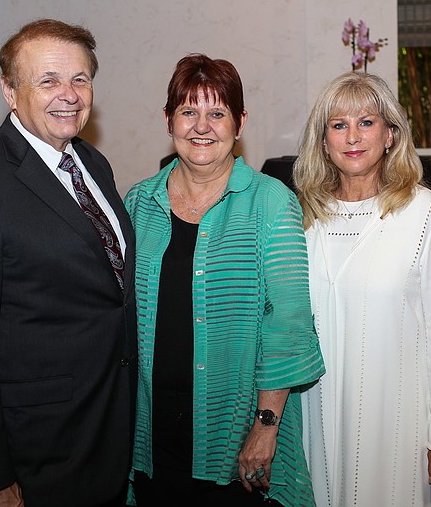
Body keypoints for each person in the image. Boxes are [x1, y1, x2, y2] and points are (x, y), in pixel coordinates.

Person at [0, 19, 136, 506]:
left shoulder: (92, 164)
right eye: (48, 81)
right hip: (35, 454)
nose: (69, 94)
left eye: (80, 79)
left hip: (106, 429)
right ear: (10, 91)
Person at [124, 53, 325, 506]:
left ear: (240, 122)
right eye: (188, 112)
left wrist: (265, 426)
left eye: (217, 113)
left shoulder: (271, 203)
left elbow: (289, 323)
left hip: (238, 434)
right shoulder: (138, 203)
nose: (201, 126)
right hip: (153, 432)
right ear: (168, 121)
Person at [294, 71, 431, 506]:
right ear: (323, 141)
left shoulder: (425, 215)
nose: (352, 136)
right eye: (338, 125)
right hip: (316, 415)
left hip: (400, 423)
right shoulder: (302, 219)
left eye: (366, 122)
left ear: (391, 134)